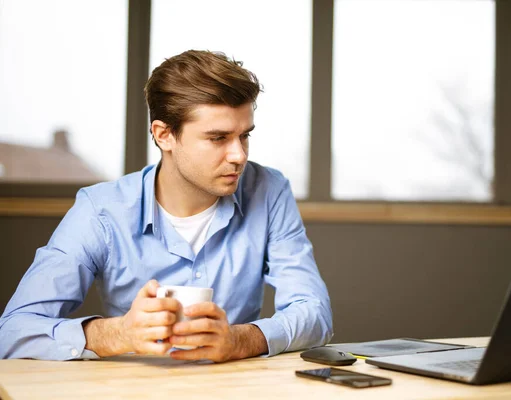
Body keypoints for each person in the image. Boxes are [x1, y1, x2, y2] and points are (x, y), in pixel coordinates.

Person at [0, 50, 333, 361]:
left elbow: (315, 313)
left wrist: (240, 340)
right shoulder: (100, 209)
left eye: (245, 135)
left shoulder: (269, 190)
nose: (240, 155)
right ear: (163, 135)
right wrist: (115, 334)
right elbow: (13, 332)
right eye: (218, 138)